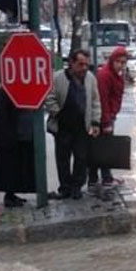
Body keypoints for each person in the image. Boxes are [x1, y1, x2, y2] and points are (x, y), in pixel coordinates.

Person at [46, 49, 101, 200]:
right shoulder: (58, 78)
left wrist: (95, 122)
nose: (84, 68)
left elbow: (95, 101)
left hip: (82, 126)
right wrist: (58, 113)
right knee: (62, 159)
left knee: (81, 158)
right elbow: (49, 98)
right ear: (71, 63)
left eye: (86, 65)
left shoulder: (90, 78)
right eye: (80, 64)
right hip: (63, 127)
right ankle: (65, 188)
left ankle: (77, 187)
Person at [88, 46, 127, 188]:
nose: (121, 65)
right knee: (104, 148)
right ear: (112, 61)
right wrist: (105, 122)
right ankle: (104, 178)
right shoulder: (105, 75)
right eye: (118, 62)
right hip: (104, 116)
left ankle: (96, 179)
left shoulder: (118, 74)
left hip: (110, 114)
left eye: (123, 62)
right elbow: (102, 100)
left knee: (99, 147)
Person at [0, 90, 35, 207]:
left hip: (21, 132)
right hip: (12, 134)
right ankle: (9, 195)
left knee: (18, 165)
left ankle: (12, 194)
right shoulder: (8, 89)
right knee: (11, 166)